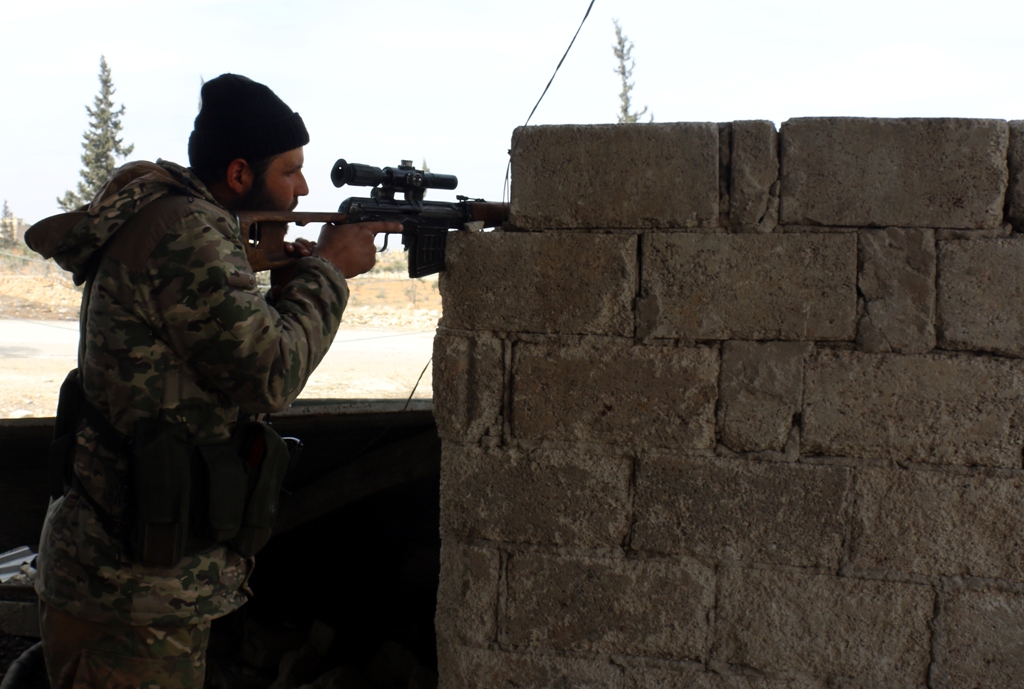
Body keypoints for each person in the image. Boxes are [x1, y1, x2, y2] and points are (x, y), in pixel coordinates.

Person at [25, 73, 400, 689]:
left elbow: (216, 352)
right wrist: (330, 272)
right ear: (237, 176)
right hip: (125, 593)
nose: (303, 188)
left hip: (134, 579)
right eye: (289, 171)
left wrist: (284, 280)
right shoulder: (188, 233)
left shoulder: (185, 221)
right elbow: (269, 375)